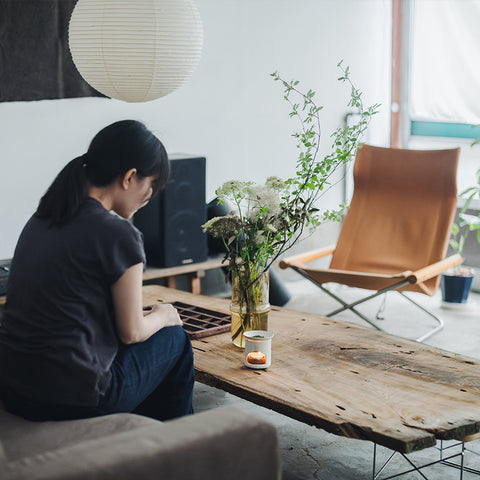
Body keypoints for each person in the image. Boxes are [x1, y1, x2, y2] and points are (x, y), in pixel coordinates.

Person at [0, 120, 194, 422]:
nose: (151, 196)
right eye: (152, 185)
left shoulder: (42, 218)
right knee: (175, 339)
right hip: (73, 397)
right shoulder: (118, 234)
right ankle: (174, 446)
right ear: (130, 177)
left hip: (14, 388)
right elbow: (131, 333)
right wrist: (164, 315)